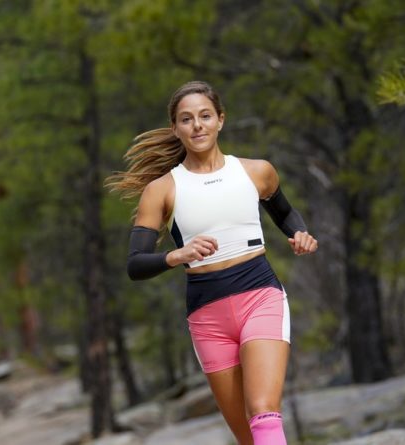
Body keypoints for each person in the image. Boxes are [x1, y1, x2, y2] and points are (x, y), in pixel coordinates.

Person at [106, 80, 318, 445]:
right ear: (175, 127)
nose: (197, 125)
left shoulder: (255, 172)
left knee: (264, 412)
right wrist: (176, 255)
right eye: (186, 119)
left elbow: (285, 213)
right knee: (247, 437)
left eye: (205, 116)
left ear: (221, 120)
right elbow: (135, 264)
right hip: (207, 317)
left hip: (260, 298)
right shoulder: (162, 190)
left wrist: (299, 234)